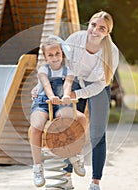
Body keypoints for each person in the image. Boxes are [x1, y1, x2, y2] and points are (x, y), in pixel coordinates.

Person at [32, 10, 119, 190]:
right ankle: (68, 177)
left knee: (97, 133)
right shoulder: (76, 39)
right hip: (74, 82)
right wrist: (39, 86)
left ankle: (95, 182)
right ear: (90, 24)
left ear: (107, 33)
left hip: (97, 87)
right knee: (69, 127)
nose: (95, 30)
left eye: (102, 28)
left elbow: (99, 84)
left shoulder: (112, 53)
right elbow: (56, 66)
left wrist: (77, 95)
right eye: (94, 25)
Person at [29, 37, 87, 188]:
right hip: (44, 102)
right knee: (36, 126)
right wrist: (51, 96)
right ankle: (37, 168)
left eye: (57, 54)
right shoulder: (43, 70)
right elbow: (46, 85)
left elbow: (67, 84)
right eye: (51, 55)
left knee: (79, 119)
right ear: (45, 57)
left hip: (60, 102)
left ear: (62, 53)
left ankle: (76, 154)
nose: (55, 58)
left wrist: (66, 95)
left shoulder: (68, 71)